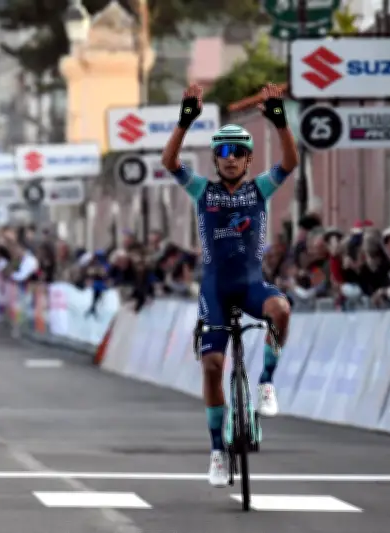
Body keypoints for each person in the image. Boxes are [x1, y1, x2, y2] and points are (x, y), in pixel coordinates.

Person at [161, 82, 298, 487]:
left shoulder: (260, 189)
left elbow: (290, 162)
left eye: (239, 152)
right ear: (216, 159)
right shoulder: (203, 191)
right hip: (217, 290)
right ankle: (217, 452)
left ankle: (267, 382)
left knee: (281, 309)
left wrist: (280, 122)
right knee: (212, 367)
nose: (232, 158)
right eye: (223, 152)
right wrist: (185, 122)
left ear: (249, 159)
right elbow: (170, 162)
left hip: (252, 285)